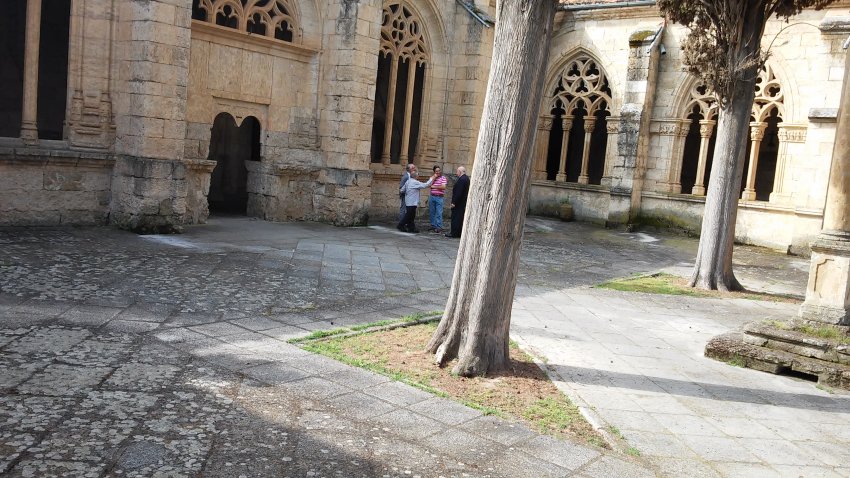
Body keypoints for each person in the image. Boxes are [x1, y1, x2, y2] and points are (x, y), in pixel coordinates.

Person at [398, 168, 436, 233]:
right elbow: (425, 185)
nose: (418, 176)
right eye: (418, 175)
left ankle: (411, 228)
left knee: (411, 216)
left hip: (409, 202)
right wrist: (431, 178)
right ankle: (400, 225)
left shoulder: (408, 181)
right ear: (415, 176)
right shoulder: (415, 182)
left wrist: (406, 192)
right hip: (412, 202)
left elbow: (402, 190)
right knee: (409, 215)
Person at [446, 166, 470, 238]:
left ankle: (454, 233)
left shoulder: (462, 179)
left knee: (456, 218)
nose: (456, 173)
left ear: (460, 171)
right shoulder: (466, 178)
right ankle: (458, 233)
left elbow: (458, 193)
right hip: (462, 202)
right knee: (459, 218)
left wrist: (454, 202)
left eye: (457, 171)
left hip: (459, 203)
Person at [428, 165, 447, 233]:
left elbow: (443, 187)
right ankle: (433, 225)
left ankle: (439, 227)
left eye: (439, 170)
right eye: (436, 171)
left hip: (439, 197)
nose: (438, 172)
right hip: (432, 196)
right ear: (434, 172)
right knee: (432, 212)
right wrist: (434, 178)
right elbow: (429, 185)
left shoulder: (443, 178)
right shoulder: (432, 177)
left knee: (439, 212)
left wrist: (434, 186)